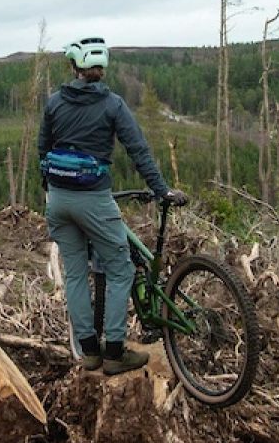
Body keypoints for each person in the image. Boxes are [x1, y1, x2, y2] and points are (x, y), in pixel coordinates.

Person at [38, 37, 188, 375]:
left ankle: (90, 352)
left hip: (58, 200)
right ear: (102, 69)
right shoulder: (112, 105)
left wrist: (51, 188)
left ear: (74, 67)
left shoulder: (55, 102)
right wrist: (161, 190)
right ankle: (115, 352)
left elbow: (42, 150)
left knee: (76, 273)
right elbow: (138, 151)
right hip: (93, 199)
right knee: (121, 269)